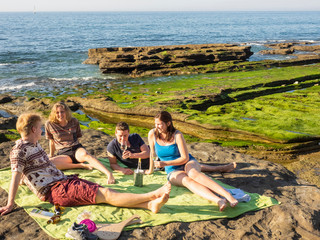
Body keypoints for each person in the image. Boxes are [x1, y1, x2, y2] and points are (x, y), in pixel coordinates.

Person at [0, 113, 171, 216]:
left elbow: (25, 173)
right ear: (33, 130)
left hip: (64, 181)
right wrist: (10, 203)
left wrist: (26, 179)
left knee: (104, 193)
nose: (42, 130)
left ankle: (149, 205)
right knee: (107, 194)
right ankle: (152, 195)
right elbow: (15, 175)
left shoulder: (34, 145)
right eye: (39, 127)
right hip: (56, 189)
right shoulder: (19, 151)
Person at [146, 111, 238, 211]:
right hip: (172, 170)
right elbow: (152, 153)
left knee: (193, 173)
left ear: (168, 123)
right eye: (155, 124)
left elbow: (184, 158)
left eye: (159, 124)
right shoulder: (152, 134)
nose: (157, 126)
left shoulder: (177, 135)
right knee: (187, 180)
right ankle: (218, 200)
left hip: (187, 162)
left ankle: (227, 195)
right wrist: (150, 170)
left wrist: (164, 163)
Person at [107, 121, 236, 175]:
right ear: (115, 134)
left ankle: (220, 168)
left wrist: (133, 155)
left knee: (187, 165)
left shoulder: (134, 137)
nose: (123, 139)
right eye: (120, 136)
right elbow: (113, 164)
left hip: (157, 159)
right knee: (185, 168)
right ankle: (220, 168)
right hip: (151, 168)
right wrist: (122, 170)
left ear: (128, 132)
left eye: (125, 135)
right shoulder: (112, 146)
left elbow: (148, 153)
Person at [45, 102, 115, 184]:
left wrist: (81, 150)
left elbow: (78, 137)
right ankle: (81, 166)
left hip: (76, 149)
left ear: (66, 112)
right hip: (63, 153)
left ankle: (109, 174)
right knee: (49, 163)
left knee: (86, 155)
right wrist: (51, 154)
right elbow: (51, 141)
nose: (60, 114)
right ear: (54, 113)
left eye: (62, 112)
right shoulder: (49, 124)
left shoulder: (74, 121)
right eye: (57, 112)